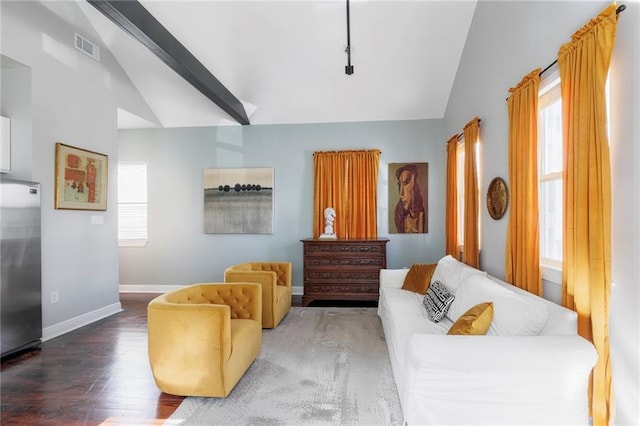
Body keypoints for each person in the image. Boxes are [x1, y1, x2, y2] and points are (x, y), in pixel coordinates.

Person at [394, 164, 425, 233]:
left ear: (415, 185)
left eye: (406, 183)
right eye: (400, 185)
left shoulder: (420, 214)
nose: (401, 194)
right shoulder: (398, 212)